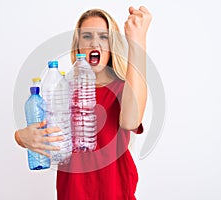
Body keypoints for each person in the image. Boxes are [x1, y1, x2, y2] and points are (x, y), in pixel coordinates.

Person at [15, 6, 152, 200]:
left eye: (103, 37)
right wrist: (21, 138)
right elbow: (42, 134)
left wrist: (137, 42)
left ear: (112, 46)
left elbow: (130, 121)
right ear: (78, 46)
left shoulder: (123, 89)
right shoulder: (62, 90)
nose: (95, 42)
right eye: (87, 36)